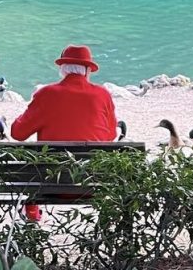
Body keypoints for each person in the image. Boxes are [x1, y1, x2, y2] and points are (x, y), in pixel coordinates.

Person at [10, 45, 117, 222]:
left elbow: (17, 133)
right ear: (87, 71)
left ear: (62, 70)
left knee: (30, 163)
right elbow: (111, 135)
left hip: (51, 184)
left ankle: (32, 212)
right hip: (92, 183)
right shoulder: (102, 95)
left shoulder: (46, 94)